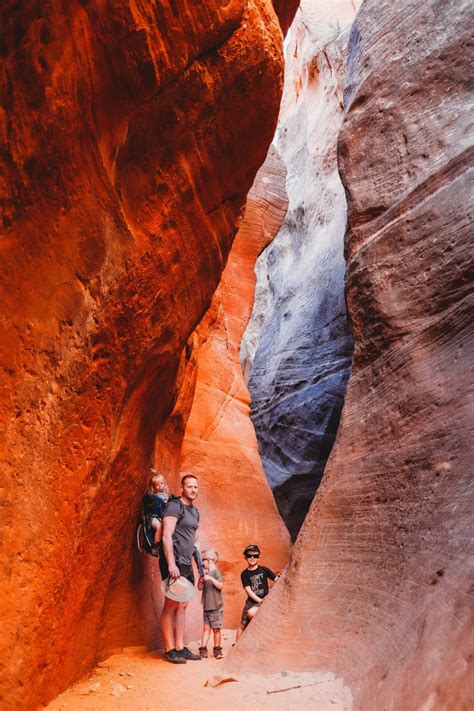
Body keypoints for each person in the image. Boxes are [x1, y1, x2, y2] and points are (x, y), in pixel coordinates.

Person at [159, 474, 202, 664]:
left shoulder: (194, 511)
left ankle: (179, 647)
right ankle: (169, 649)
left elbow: (193, 540)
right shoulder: (175, 506)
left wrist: (200, 568)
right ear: (182, 488)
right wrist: (171, 564)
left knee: (183, 604)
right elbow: (166, 536)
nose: (193, 489)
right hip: (174, 562)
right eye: (190, 486)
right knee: (171, 604)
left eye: (196, 487)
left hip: (185, 562)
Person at [236, 544, 279, 642]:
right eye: (249, 556)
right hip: (251, 601)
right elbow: (249, 591)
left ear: (258, 558)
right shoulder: (244, 574)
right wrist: (260, 600)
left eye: (255, 556)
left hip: (264, 600)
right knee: (243, 624)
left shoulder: (264, 570)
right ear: (245, 557)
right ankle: (236, 645)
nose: (252, 558)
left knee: (255, 616)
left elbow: (276, 580)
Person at [198, 549, 224, 659]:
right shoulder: (205, 573)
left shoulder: (216, 572)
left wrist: (211, 579)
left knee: (216, 629)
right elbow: (200, 588)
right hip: (206, 607)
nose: (202, 563)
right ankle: (203, 649)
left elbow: (220, 586)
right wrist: (200, 581)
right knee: (206, 629)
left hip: (216, 607)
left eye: (203, 560)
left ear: (210, 561)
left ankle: (217, 649)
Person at [142, 470, 169, 549]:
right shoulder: (153, 496)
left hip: (161, 517)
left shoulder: (165, 495)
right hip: (153, 517)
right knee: (159, 526)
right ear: (153, 487)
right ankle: (155, 544)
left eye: (162, 483)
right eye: (157, 485)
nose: (160, 486)